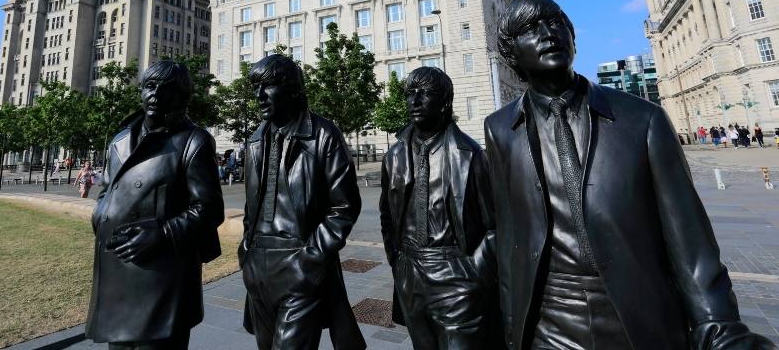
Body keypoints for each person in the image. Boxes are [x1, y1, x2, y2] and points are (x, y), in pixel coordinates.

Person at [484, 0, 773, 350]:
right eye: (531, 29)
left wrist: (717, 326)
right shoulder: (500, 129)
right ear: (512, 54)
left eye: (556, 22)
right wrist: (512, 329)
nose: (548, 33)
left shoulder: (642, 119)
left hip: (635, 317)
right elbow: (510, 233)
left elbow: (691, 243)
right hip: (547, 322)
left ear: (573, 35)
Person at [85, 60, 225, 349]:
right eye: (150, 86)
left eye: (167, 89)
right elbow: (106, 190)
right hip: (117, 272)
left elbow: (209, 209)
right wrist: (101, 216)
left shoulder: (193, 142)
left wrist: (162, 233)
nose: (156, 95)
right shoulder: (120, 141)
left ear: (183, 98)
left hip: (163, 278)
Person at [238, 54, 365, 350]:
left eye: (267, 86)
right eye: (255, 87)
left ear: (292, 88)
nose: (258, 96)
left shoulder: (323, 135)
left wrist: (310, 257)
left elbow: (345, 206)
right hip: (258, 267)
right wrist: (246, 250)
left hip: (299, 262)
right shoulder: (255, 140)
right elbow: (250, 206)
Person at [379, 67, 498, 349]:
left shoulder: (470, 155)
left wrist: (474, 273)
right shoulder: (394, 156)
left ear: (445, 102)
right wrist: (398, 262)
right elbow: (387, 214)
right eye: (410, 93)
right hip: (410, 272)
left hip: (457, 275)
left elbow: (495, 225)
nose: (415, 101)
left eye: (425, 93)